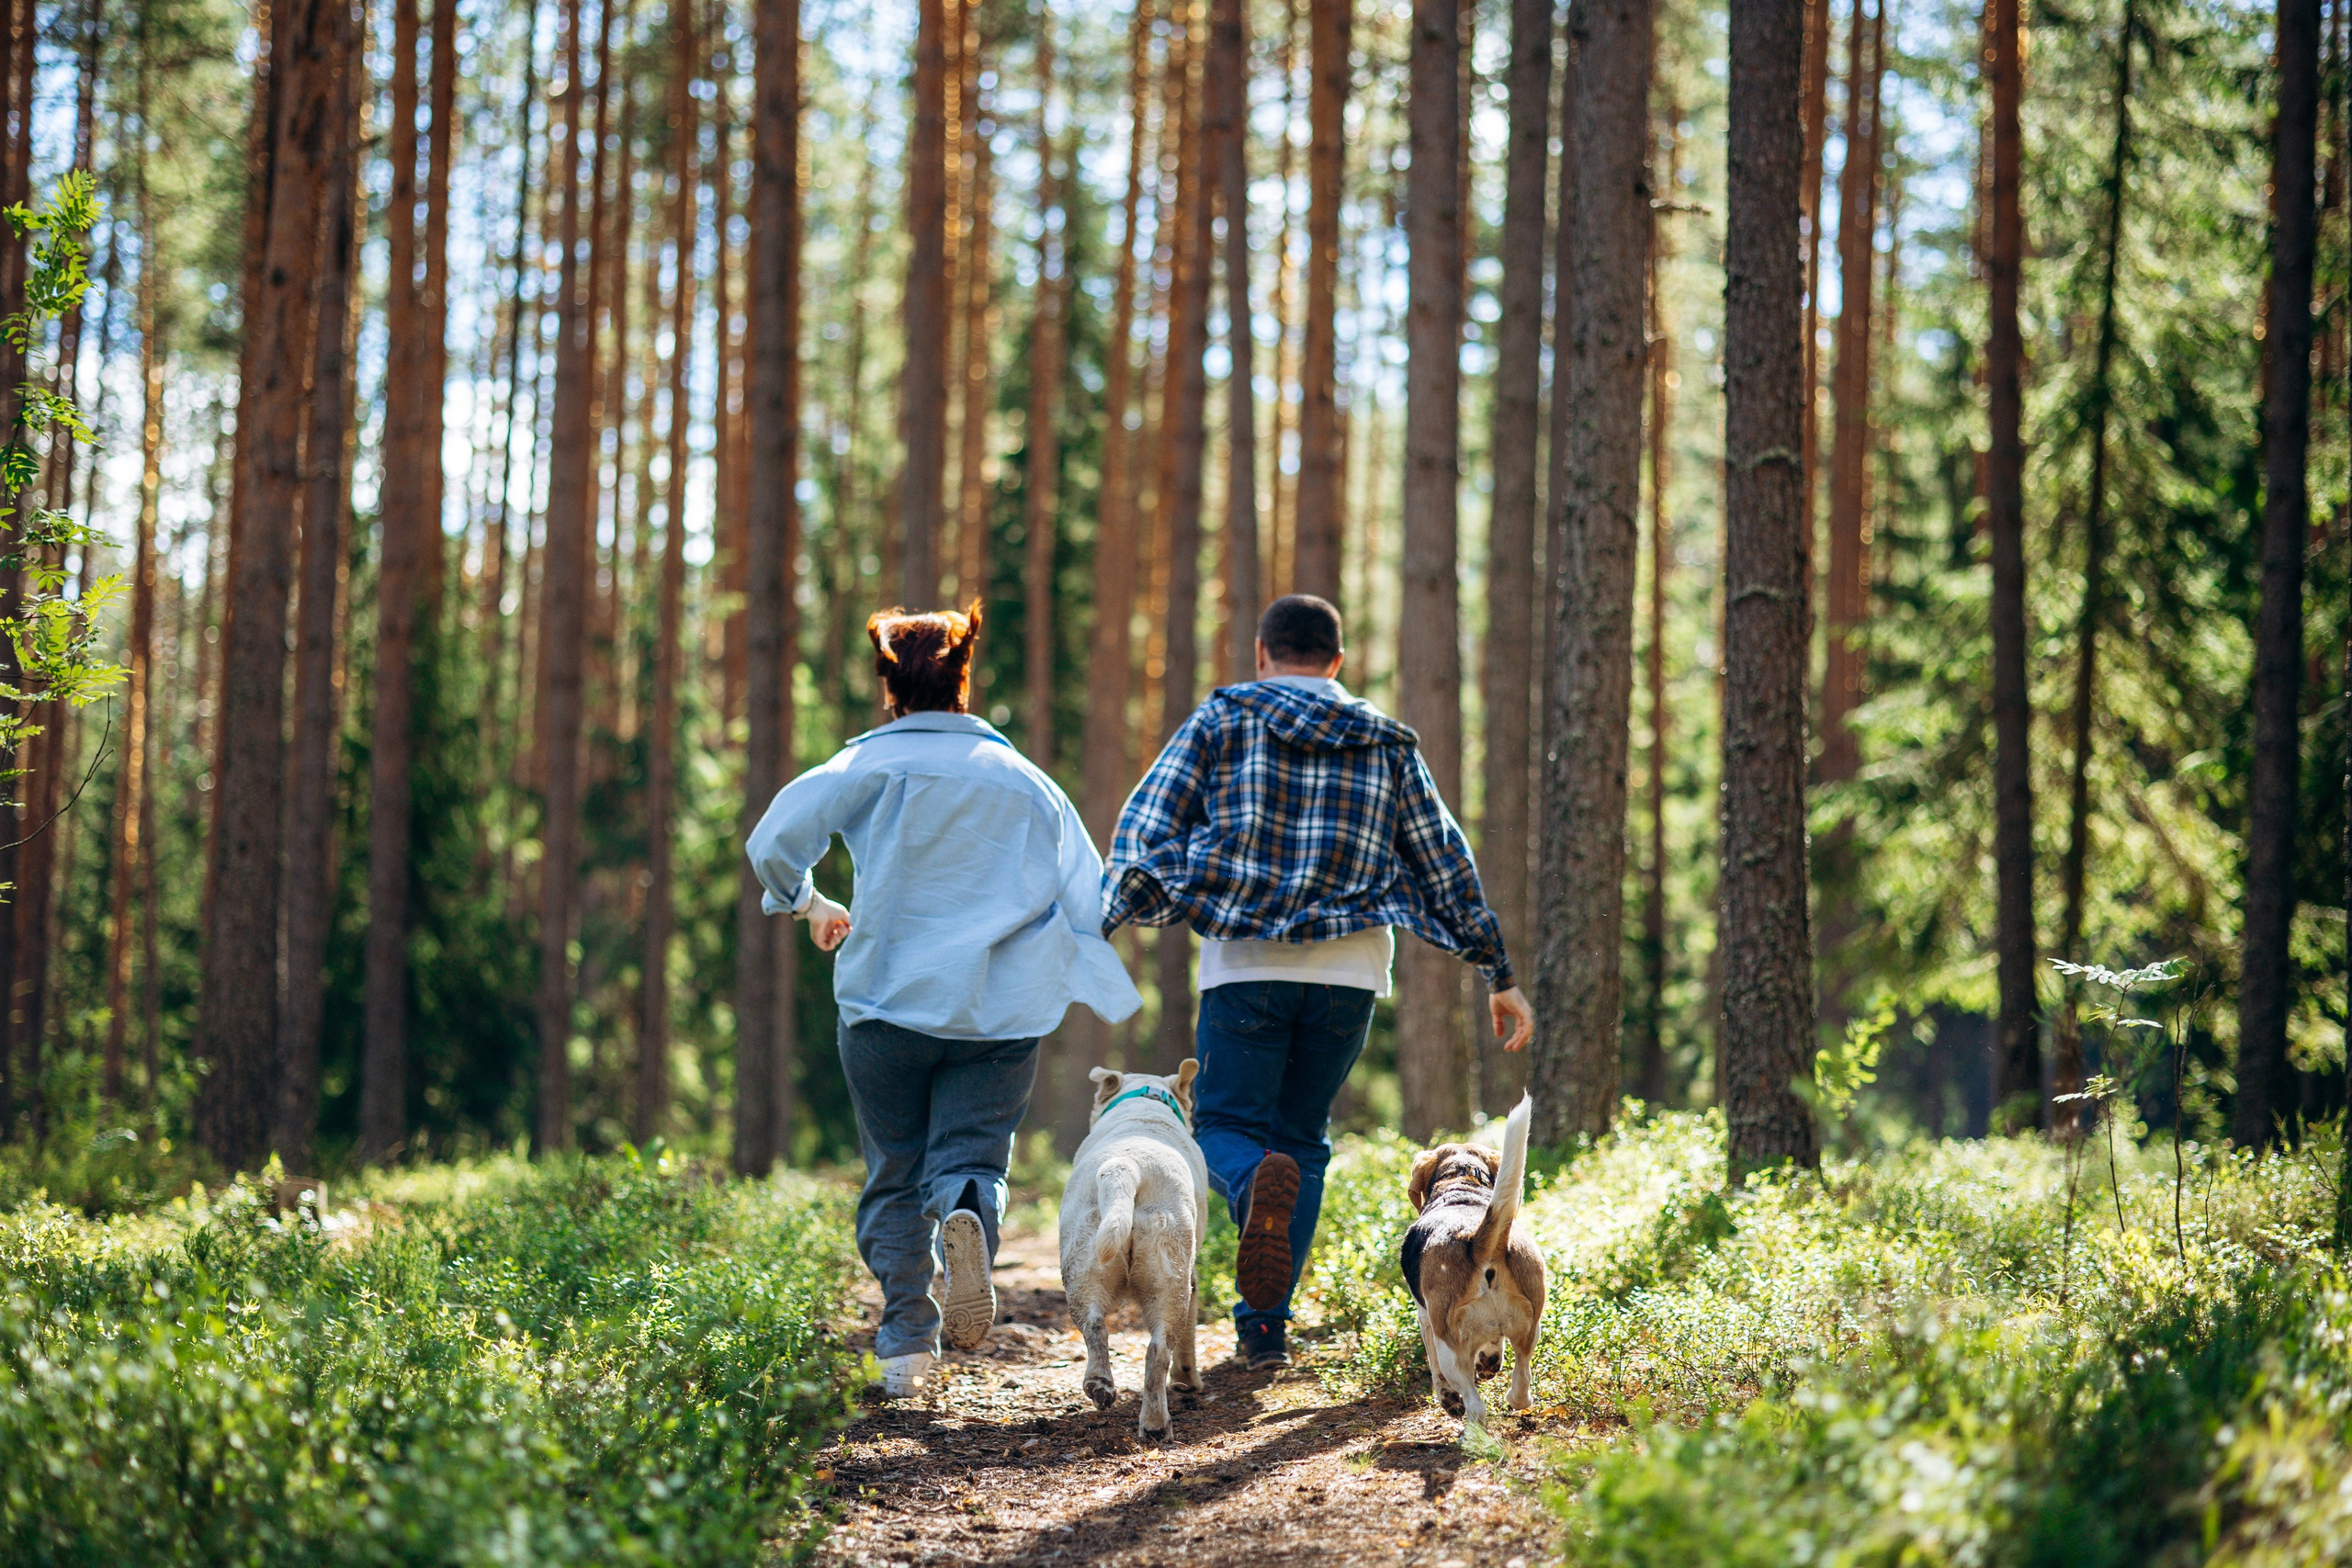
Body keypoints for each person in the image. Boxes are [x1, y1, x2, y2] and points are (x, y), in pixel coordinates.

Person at [1102, 593, 1533, 1370]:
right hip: (1350, 973)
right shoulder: (1385, 738)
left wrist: (1113, 911)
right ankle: (1265, 1328)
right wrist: (1496, 969)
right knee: (1301, 1140)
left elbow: (1145, 828)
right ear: (1336, 662)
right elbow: (1444, 860)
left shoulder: (1222, 720)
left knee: (1226, 1129)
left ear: (1263, 654)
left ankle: (1247, 1204)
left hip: (1246, 964)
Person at [746, 603, 1140, 1399]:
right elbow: (1091, 896)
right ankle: (965, 1210)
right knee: (972, 1156)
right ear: (965, 680)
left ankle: (904, 1343)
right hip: (999, 1013)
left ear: (889, 686)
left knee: (893, 1173)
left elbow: (771, 843)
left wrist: (807, 901)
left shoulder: (864, 766)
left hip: (886, 1003)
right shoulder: (1027, 780)